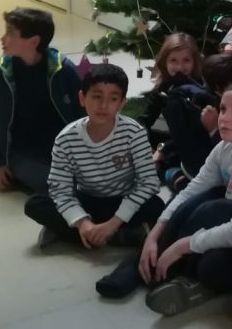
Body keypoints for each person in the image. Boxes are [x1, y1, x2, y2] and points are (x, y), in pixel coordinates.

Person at [97, 81, 232, 306]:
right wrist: (155, 234)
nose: (224, 118)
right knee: (196, 200)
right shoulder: (225, 147)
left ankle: (167, 269)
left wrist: (182, 246)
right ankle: (158, 262)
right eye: (223, 109)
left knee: (211, 260)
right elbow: (192, 189)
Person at [23, 64, 164, 253]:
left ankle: (71, 232)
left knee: (156, 205)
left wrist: (114, 223)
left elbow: (148, 182)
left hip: (121, 200)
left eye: (113, 99)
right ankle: (111, 235)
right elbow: (60, 188)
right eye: (97, 96)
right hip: (87, 200)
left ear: (122, 103)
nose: (103, 105)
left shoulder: (134, 133)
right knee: (35, 204)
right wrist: (83, 223)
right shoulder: (66, 138)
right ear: (82, 98)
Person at [0, 7, 82, 195]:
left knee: (94, 180)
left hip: (60, 147)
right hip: (21, 151)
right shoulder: (0, 73)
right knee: (58, 186)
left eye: (10, 33)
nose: (2, 38)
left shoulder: (63, 70)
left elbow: (83, 114)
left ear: (34, 41)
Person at [139, 33, 214, 190]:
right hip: (166, 141)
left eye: (186, 60)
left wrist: (162, 150)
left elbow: (193, 131)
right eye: (173, 61)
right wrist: (139, 139)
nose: (180, 67)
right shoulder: (163, 87)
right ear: (164, 62)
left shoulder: (198, 91)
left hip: (191, 144)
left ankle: (172, 173)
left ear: (194, 62)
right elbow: (146, 118)